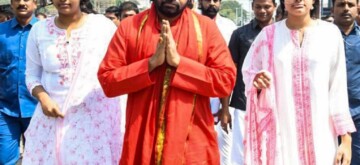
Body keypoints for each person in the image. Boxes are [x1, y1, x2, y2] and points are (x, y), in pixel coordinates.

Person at [97, 0, 236, 163]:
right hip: (142, 141)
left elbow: (226, 81)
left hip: (192, 144)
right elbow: (108, 81)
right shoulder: (130, 27)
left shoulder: (206, 28)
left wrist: (179, 63)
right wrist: (149, 64)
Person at [242, 0, 356, 163]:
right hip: (282, 136)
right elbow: (249, 71)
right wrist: (257, 82)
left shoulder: (330, 34)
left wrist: (346, 139)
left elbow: (337, 90)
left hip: (322, 135)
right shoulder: (268, 35)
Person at [22, 0, 122, 164]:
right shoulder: (39, 30)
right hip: (52, 119)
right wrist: (44, 99)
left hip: (94, 123)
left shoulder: (102, 27)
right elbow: (31, 76)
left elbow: (118, 67)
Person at [225, 0, 277, 164]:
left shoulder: (282, 33)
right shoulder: (240, 34)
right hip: (244, 103)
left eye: (267, 7)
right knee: (242, 154)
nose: (262, 11)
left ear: (274, 7)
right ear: (252, 7)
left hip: (276, 104)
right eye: (258, 7)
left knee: (273, 153)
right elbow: (229, 73)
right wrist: (225, 108)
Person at [197, 0, 236, 164]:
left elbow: (231, 66)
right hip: (196, 88)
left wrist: (225, 107)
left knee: (224, 145)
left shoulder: (229, 27)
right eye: (208, 0)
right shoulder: (191, 22)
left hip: (222, 94)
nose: (212, 4)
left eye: (216, 0)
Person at [0, 0, 38, 164]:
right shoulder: (1, 32)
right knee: (5, 159)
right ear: (11, 3)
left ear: (35, 3)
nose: (22, 3)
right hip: (5, 109)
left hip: (38, 109)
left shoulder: (45, 31)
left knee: (37, 158)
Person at [332, 0, 360, 164]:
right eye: (341, 5)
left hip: (357, 113)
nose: (346, 9)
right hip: (327, 113)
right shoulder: (319, 39)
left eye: (350, 4)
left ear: (357, 7)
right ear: (334, 9)